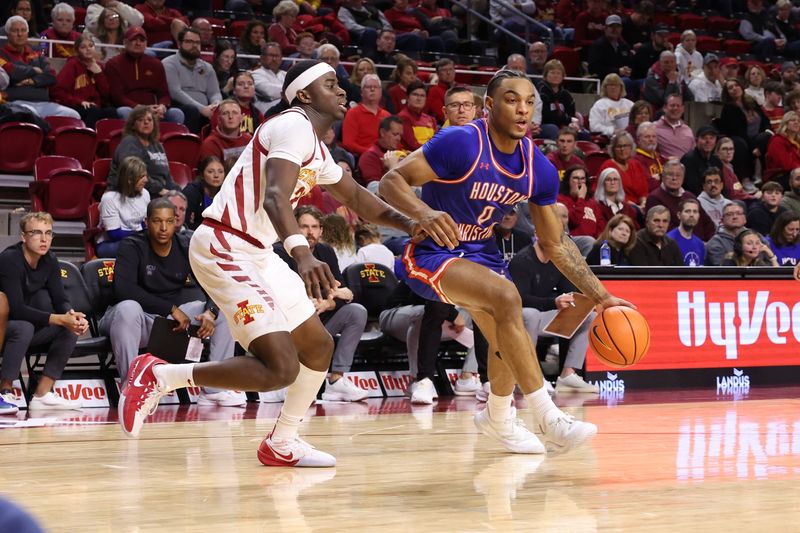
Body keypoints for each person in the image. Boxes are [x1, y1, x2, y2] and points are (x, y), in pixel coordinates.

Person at [118, 60, 422, 467]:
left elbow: (359, 199)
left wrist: (411, 222)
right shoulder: (292, 124)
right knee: (279, 367)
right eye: (331, 84)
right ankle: (161, 376)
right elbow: (275, 197)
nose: (341, 91)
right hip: (225, 244)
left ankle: (283, 441)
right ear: (304, 95)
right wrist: (303, 254)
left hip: (257, 251)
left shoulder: (318, 148)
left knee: (318, 345)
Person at [380, 69, 631, 454]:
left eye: (530, 102)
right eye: (512, 99)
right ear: (490, 105)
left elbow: (555, 241)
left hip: (481, 251)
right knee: (508, 297)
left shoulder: (538, 168)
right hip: (434, 250)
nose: (522, 109)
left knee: (505, 343)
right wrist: (422, 214)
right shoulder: (461, 142)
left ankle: (498, 418)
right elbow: (391, 181)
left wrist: (600, 295)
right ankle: (549, 416)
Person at [99, 198, 244, 406]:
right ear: (147, 222)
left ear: (176, 221)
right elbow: (125, 290)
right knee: (129, 308)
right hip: (132, 322)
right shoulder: (131, 246)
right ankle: (130, 390)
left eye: (169, 221)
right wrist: (171, 309)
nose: (164, 227)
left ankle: (213, 390)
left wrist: (210, 311)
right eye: (157, 221)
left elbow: (213, 281)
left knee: (223, 310)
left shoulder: (185, 246)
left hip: (168, 322)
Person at [0, 212, 88, 411]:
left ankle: (42, 394)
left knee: (70, 328)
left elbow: (60, 299)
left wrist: (72, 316)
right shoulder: (9, 259)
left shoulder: (50, 259)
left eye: (48, 233)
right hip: (4, 327)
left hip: (27, 329)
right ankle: (4, 390)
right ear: (23, 236)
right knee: (24, 326)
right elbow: (17, 308)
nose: (44, 239)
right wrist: (59, 318)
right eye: (37, 233)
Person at [508, 237, 599, 393]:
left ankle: (568, 375)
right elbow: (519, 298)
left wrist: (587, 302)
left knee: (588, 316)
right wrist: (553, 302)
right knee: (532, 314)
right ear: (538, 234)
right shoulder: (521, 260)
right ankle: (529, 376)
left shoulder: (557, 261)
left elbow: (569, 289)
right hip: (516, 317)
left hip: (542, 316)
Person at [0, 16, 81, 119]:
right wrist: (35, 70)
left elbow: (51, 77)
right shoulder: (1, 54)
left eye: (23, 30)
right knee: (31, 115)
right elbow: (12, 73)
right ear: (7, 34)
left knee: (73, 115)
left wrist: (30, 81)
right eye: (15, 31)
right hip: (16, 102)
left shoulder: (36, 53)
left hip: (43, 102)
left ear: (27, 34)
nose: (20, 34)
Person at [105, 26, 184, 124]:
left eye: (142, 40)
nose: (138, 43)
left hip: (153, 110)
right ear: (125, 43)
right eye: (134, 40)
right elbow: (117, 97)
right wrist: (142, 109)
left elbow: (164, 94)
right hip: (131, 109)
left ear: (146, 44)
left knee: (177, 113)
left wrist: (162, 106)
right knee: (124, 111)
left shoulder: (156, 64)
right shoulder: (113, 64)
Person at [109, 105, 178, 198]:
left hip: (158, 194)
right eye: (141, 120)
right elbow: (133, 173)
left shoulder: (157, 145)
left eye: (149, 120)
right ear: (133, 125)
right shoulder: (129, 143)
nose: (146, 122)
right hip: (131, 194)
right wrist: (160, 190)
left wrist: (176, 191)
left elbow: (167, 176)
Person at [51, 34, 118, 128]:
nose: (88, 49)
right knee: (93, 111)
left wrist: (99, 74)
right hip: (76, 105)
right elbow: (58, 91)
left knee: (111, 111)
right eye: (83, 47)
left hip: (96, 106)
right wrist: (80, 102)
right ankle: (87, 139)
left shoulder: (99, 66)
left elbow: (106, 94)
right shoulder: (72, 65)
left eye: (91, 46)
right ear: (77, 50)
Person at [162, 28, 222, 133]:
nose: (194, 46)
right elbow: (175, 92)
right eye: (189, 42)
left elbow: (215, 92)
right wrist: (202, 109)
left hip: (206, 110)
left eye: (197, 42)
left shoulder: (207, 67)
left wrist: (215, 105)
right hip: (180, 106)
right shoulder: (169, 64)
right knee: (192, 110)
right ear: (179, 44)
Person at [644, 158, 716, 241]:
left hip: (701, 245)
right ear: (662, 176)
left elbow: (708, 223)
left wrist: (709, 244)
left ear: (683, 178)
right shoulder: (655, 198)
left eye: (678, 175)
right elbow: (661, 230)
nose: (674, 178)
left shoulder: (690, 196)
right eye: (670, 174)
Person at [717, 77, 771, 182]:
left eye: (736, 85)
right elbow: (738, 131)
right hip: (741, 138)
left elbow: (765, 120)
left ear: (741, 87)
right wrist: (753, 147)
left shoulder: (751, 102)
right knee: (740, 143)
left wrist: (768, 130)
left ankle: (765, 176)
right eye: (730, 88)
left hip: (757, 138)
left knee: (767, 136)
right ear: (727, 93)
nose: (735, 88)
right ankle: (745, 178)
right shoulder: (728, 108)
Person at [96, 156, 150, 257]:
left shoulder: (145, 194)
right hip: (110, 244)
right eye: (142, 177)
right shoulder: (110, 199)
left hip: (137, 240)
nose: (146, 180)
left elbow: (144, 223)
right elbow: (114, 234)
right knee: (140, 247)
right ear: (129, 180)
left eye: (146, 176)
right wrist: (142, 234)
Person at [599, 131, 651, 209]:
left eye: (625, 146)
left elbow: (643, 192)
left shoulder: (636, 164)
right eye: (619, 146)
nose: (622, 149)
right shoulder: (608, 166)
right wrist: (635, 207)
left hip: (639, 207)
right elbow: (607, 194)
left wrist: (644, 203)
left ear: (631, 147)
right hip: (618, 206)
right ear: (613, 149)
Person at [341, 74, 390, 156]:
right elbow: (348, 143)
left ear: (381, 92)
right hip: (362, 157)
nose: (372, 89)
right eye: (368, 87)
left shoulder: (387, 115)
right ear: (361, 92)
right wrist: (373, 153)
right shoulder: (353, 113)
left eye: (376, 87)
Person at [587, 14, 633, 88]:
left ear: (621, 29)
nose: (614, 29)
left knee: (642, 83)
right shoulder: (598, 45)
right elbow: (593, 68)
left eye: (617, 27)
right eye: (611, 26)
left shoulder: (624, 46)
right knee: (626, 82)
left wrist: (627, 70)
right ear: (605, 28)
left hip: (622, 78)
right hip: (604, 79)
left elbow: (628, 63)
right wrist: (617, 71)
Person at [557, 166, 603, 238]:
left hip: (592, 243)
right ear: (568, 181)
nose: (579, 182)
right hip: (571, 240)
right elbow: (573, 221)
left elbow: (601, 228)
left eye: (582, 178)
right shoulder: (561, 200)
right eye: (576, 178)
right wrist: (581, 198)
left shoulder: (593, 203)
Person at [358, 115, 404, 185]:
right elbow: (374, 189)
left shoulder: (400, 154)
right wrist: (392, 168)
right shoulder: (369, 156)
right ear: (382, 133)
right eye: (395, 134)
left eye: (400, 135)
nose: (399, 139)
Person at [680, 125, 724, 195]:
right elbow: (692, 189)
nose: (708, 141)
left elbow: (722, 186)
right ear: (696, 140)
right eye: (704, 138)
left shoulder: (717, 161)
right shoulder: (688, 160)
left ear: (716, 141)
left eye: (711, 138)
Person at [183, 156, 225, 230]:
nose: (216, 175)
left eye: (220, 171)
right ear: (202, 175)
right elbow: (186, 225)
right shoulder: (191, 192)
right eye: (210, 172)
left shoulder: (226, 193)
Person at [715, 136, 759, 203]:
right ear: (717, 152)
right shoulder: (719, 169)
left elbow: (737, 188)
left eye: (731, 149)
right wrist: (753, 197)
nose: (729, 152)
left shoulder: (730, 167)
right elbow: (733, 194)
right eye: (724, 149)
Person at [398, 80, 437, 150]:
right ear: (407, 97)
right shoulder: (403, 117)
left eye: (422, 96)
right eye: (415, 94)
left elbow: (437, 142)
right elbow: (412, 145)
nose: (419, 99)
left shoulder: (431, 119)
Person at [654, 94, 695, 160]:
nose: (675, 108)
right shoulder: (654, 128)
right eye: (672, 105)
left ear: (683, 109)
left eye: (678, 106)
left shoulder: (688, 130)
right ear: (664, 108)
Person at [666, 199, 706, 266]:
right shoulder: (669, 240)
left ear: (699, 216)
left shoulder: (700, 244)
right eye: (687, 211)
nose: (691, 215)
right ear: (679, 215)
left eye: (695, 212)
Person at [766, 111, 800, 179]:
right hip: (781, 176)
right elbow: (786, 165)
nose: (796, 122)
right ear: (785, 123)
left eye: (799, 121)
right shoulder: (777, 141)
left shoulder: (797, 141)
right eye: (793, 120)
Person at [632, 121, 665, 186]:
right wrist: (663, 177)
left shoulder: (659, 157)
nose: (651, 139)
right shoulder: (635, 160)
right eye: (647, 137)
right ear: (638, 140)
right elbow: (646, 183)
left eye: (654, 136)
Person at [425, 58, 456, 124]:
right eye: (444, 70)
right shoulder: (434, 91)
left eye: (451, 69)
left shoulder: (461, 89)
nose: (448, 73)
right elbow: (442, 116)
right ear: (438, 73)